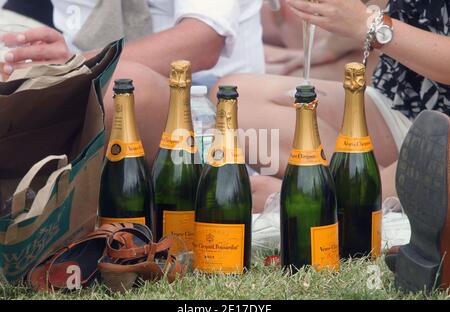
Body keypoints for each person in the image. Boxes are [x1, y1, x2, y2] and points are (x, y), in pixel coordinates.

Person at [214, 0, 450, 212]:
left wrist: (367, 24)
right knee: (235, 100)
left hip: (443, 135)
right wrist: (330, 46)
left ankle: (331, 197)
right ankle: (356, 189)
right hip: (403, 103)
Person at [0, 0, 265, 165]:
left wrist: (75, 66)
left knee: (122, 91)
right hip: (82, 87)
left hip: (204, 103)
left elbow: (203, 42)